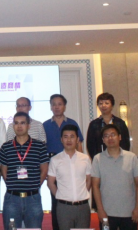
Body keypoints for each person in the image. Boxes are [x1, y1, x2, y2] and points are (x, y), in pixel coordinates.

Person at [0, 112, 49, 230]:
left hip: (33, 198)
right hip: (12, 198)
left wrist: (34, 186)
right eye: (16, 123)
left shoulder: (39, 146)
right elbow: (4, 171)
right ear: (13, 126)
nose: (19, 126)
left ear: (28, 125)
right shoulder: (6, 147)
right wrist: (12, 184)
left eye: (22, 123)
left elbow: (44, 170)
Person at [42, 93, 83, 230]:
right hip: (53, 167)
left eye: (60, 104)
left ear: (64, 106)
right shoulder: (45, 125)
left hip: (72, 165)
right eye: (54, 104)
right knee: (56, 201)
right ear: (50, 107)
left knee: (74, 197)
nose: (57, 107)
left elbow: (79, 145)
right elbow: (42, 149)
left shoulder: (72, 123)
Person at [92, 124, 138, 230]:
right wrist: (100, 210)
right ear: (103, 140)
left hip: (129, 212)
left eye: (113, 135)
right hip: (107, 213)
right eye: (106, 136)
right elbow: (95, 186)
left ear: (119, 137)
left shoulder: (132, 157)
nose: (110, 138)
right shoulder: (97, 159)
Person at [47, 124, 92, 230]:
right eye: (65, 137)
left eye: (72, 136)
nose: (69, 140)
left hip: (83, 207)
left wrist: (82, 194)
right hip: (63, 208)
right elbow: (50, 182)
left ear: (77, 140)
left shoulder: (85, 158)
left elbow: (89, 180)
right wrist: (59, 195)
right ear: (61, 140)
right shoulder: (55, 160)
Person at [87, 93, 131, 161]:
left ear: (112, 105)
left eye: (106, 103)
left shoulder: (120, 123)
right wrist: (96, 159)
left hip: (119, 159)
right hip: (101, 160)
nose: (103, 106)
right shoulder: (94, 124)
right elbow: (90, 145)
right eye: (101, 103)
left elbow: (125, 143)